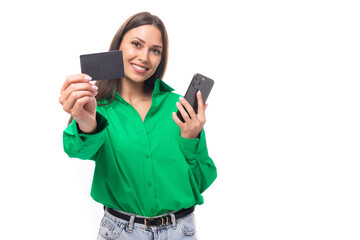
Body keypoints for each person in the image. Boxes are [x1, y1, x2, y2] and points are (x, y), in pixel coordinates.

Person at [59, 12, 217, 240]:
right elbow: (77, 150)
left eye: (155, 50)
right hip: (121, 232)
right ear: (118, 47)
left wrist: (192, 137)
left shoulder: (179, 107)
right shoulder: (98, 108)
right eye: (136, 44)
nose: (144, 57)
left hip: (181, 232)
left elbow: (201, 182)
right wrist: (85, 122)